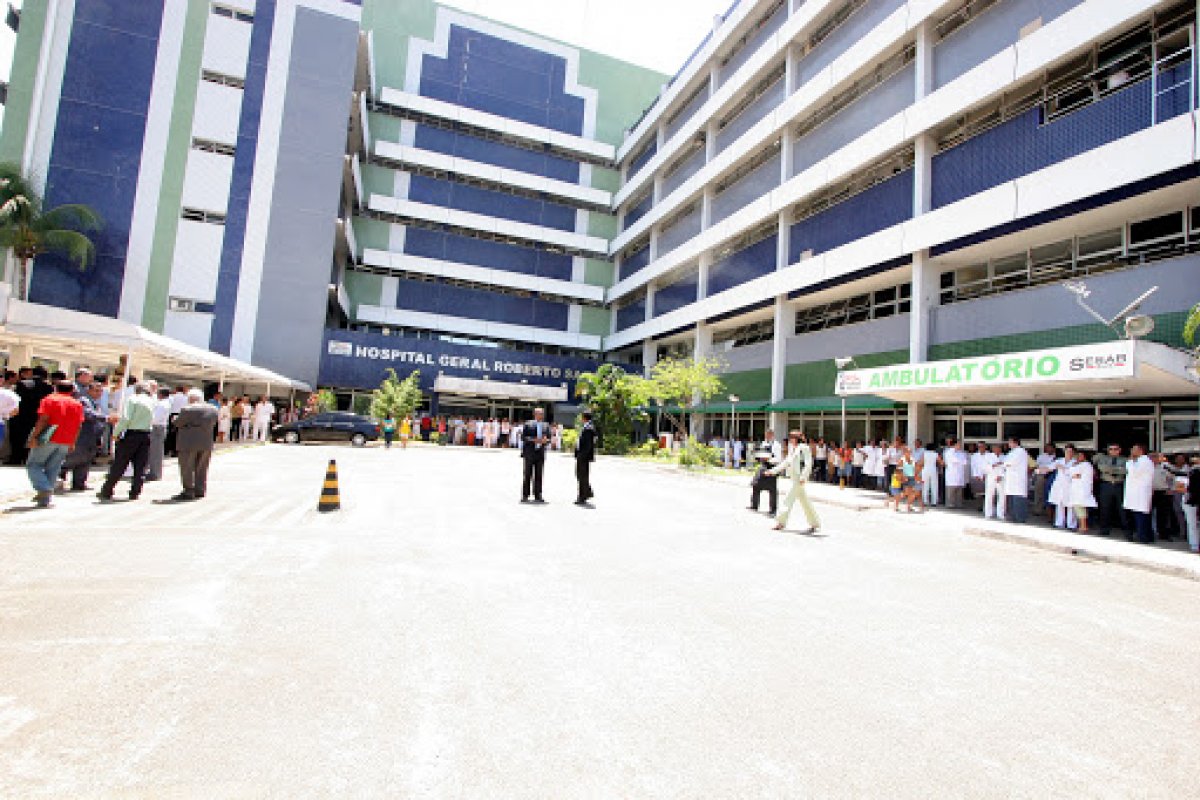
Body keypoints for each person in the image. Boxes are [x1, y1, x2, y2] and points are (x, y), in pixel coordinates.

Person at [25, 380, 84, 508]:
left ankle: (44, 488)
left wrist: (34, 436)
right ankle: (45, 499)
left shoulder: (49, 399)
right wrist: (73, 442)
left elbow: (43, 419)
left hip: (48, 437)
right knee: (53, 467)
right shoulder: (77, 404)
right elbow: (79, 425)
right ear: (72, 390)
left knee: (34, 464)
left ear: (55, 388)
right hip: (66, 439)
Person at [97, 383, 156, 502]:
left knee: (120, 463)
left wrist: (116, 433)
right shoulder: (152, 401)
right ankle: (135, 491)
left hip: (132, 434)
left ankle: (107, 490)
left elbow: (126, 418)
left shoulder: (133, 399)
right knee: (140, 465)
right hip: (146, 434)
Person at [769, 431, 819, 533]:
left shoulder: (804, 447)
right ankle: (814, 522)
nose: (790, 440)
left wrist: (803, 476)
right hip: (793, 477)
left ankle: (781, 522)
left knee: (788, 499)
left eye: (792, 437)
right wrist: (772, 471)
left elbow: (808, 463)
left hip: (798, 478)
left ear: (796, 438)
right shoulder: (793, 449)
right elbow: (786, 462)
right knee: (805, 502)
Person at [174, 389, 219, 501]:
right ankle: (200, 489)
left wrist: (174, 419)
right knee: (202, 467)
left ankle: (189, 490)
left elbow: (178, 423)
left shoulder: (187, 409)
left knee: (187, 467)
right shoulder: (213, 409)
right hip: (206, 442)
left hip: (188, 442)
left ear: (190, 399)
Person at [61, 381, 105, 492]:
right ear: (88, 390)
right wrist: (106, 417)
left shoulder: (95, 403)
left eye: (100, 391)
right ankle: (58, 479)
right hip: (82, 436)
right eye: (96, 390)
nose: (99, 393)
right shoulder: (83, 401)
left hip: (92, 437)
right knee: (73, 459)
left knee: (85, 461)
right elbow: (87, 414)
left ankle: (79, 483)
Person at [8, 365, 53, 465]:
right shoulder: (49, 387)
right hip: (38, 417)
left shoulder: (22, 384)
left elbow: (15, 401)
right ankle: (28, 458)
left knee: (17, 439)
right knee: (34, 438)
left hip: (20, 417)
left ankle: (15, 459)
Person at [1092, 443, 1128, 537]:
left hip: (1119, 485)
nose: (1113, 451)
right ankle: (1104, 529)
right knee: (1105, 508)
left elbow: (1125, 470)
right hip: (1106, 485)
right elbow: (1102, 468)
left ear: (1119, 450)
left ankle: (1127, 531)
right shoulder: (1103, 458)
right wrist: (1117, 469)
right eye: (1111, 449)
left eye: (1116, 449)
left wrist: (1110, 469)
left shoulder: (1125, 459)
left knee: (1122, 509)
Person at [1123, 444, 1155, 544]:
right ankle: (1144, 536)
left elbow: (1134, 472)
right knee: (1137, 516)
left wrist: (1129, 461)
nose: (1132, 451)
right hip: (1134, 494)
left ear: (1140, 450)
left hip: (1140, 494)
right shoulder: (1138, 461)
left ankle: (1143, 537)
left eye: (1134, 449)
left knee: (1141, 517)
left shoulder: (1145, 461)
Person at [520, 407, 551, 504]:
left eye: (542, 413)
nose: (540, 415)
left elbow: (549, 437)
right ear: (534, 414)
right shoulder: (528, 424)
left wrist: (546, 440)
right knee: (527, 474)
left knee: (539, 475)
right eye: (539, 413)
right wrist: (534, 440)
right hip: (529, 453)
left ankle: (538, 494)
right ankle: (525, 495)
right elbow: (523, 437)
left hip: (540, 453)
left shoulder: (546, 425)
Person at [1067, 448, 1098, 533]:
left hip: (1081, 489)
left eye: (1080, 455)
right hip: (1078, 489)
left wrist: (1074, 473)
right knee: (1079, 508)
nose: (1078, 457)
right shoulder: (1080, 464)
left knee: (1080, 508)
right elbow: (1072, 474)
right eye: (1077, 455)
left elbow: (1074, 473)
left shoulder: (1085, 464)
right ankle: (1081, 526)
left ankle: (1083, 527)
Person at [1151, 454, 1178, 541]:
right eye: (1151, 457)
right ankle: (1149, 533)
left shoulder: (1165, 467)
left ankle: (1164, 534)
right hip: (1150, 492)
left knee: (1163, 515)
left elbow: (1173, 478)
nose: (1153, 459)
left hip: (1162, 491)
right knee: (1148, 513)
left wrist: (1171, 489)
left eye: (1155, 457)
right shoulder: (1146, 468)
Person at [1003, 437, 1030, 523]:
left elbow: (1010, 463)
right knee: (1011, 498)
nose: (1009, 444)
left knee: (1018, 499)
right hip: (1011, 479)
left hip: (1018, 479)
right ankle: (1013, 516)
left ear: (1015, 443)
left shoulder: (1020, 451)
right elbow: (1005, 462)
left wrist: (1004, 464)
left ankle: (1020, 518)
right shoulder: (1012, 452)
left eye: (1010, 442)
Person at [147, 386, 171, 482]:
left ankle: (155, 473)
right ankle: (154, 472)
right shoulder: (164, 403)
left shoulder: (162, 404)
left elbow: (156, 418)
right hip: (159, 427)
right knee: (155, 451)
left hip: (157, 428)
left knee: (155, 452)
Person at [574, 411, 597, 506]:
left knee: (582, 475)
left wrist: (582, 455)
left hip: (584, 456)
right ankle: (587, 492)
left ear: (584, 418)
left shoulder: (589, 428)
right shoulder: (587, 427)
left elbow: (588, 445)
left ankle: (583, 496)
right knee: (580, 475)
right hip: (582, 455)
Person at [943, 439, 969, 509]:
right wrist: (959, 461)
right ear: (954, 444)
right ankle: (950, 504)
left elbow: (965, 462)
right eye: (958, 444)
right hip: (951, 474)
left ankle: (959, 504)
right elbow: (953, 460)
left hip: (960, 473)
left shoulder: (962, 453)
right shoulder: (948, 452)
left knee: (959, 491)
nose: (960, 446)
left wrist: (959, 461)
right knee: (951, 491)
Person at [983, 443, 1006, 520]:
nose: (996, 449)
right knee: (989, 495)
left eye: (998, 448)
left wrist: (1001, 475)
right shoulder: (988, 456)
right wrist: (994, 465)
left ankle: (1000, 514)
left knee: (1002, 496)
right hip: (991, 477)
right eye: (995, 448)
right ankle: (988, 513)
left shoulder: (1004, 457)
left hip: (1001, 478)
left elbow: (1006, 468)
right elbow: (984, 467)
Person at [1182, 456, 1199, 554]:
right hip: (1190, 501)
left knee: (1192, 524)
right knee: (1193, 524)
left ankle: (1194, 545)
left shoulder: (1188, 474)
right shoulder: (1189, 474)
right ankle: (1194, 545)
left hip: (1190, 501)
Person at [1035, 444, 1057, 516]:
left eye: (1049, 448)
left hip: (1052, 476)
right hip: (1041, 475)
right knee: (1039, 492)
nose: (1047, 449)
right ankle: (1038, 509)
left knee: (1050, 494)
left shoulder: (1057, 457)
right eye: (1046, 448)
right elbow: (1036, 465)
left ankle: (1050, 512)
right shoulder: (1041, 456)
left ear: (1053, 448)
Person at [919, 439, 940, 507]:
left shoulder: (924, 454)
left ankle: (925, 501)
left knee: (925, 486)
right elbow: (941, 462)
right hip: (933, 469)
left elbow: (921, 463)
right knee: (934, 485)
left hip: (925, 469)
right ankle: (934, 501)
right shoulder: (936, 454)